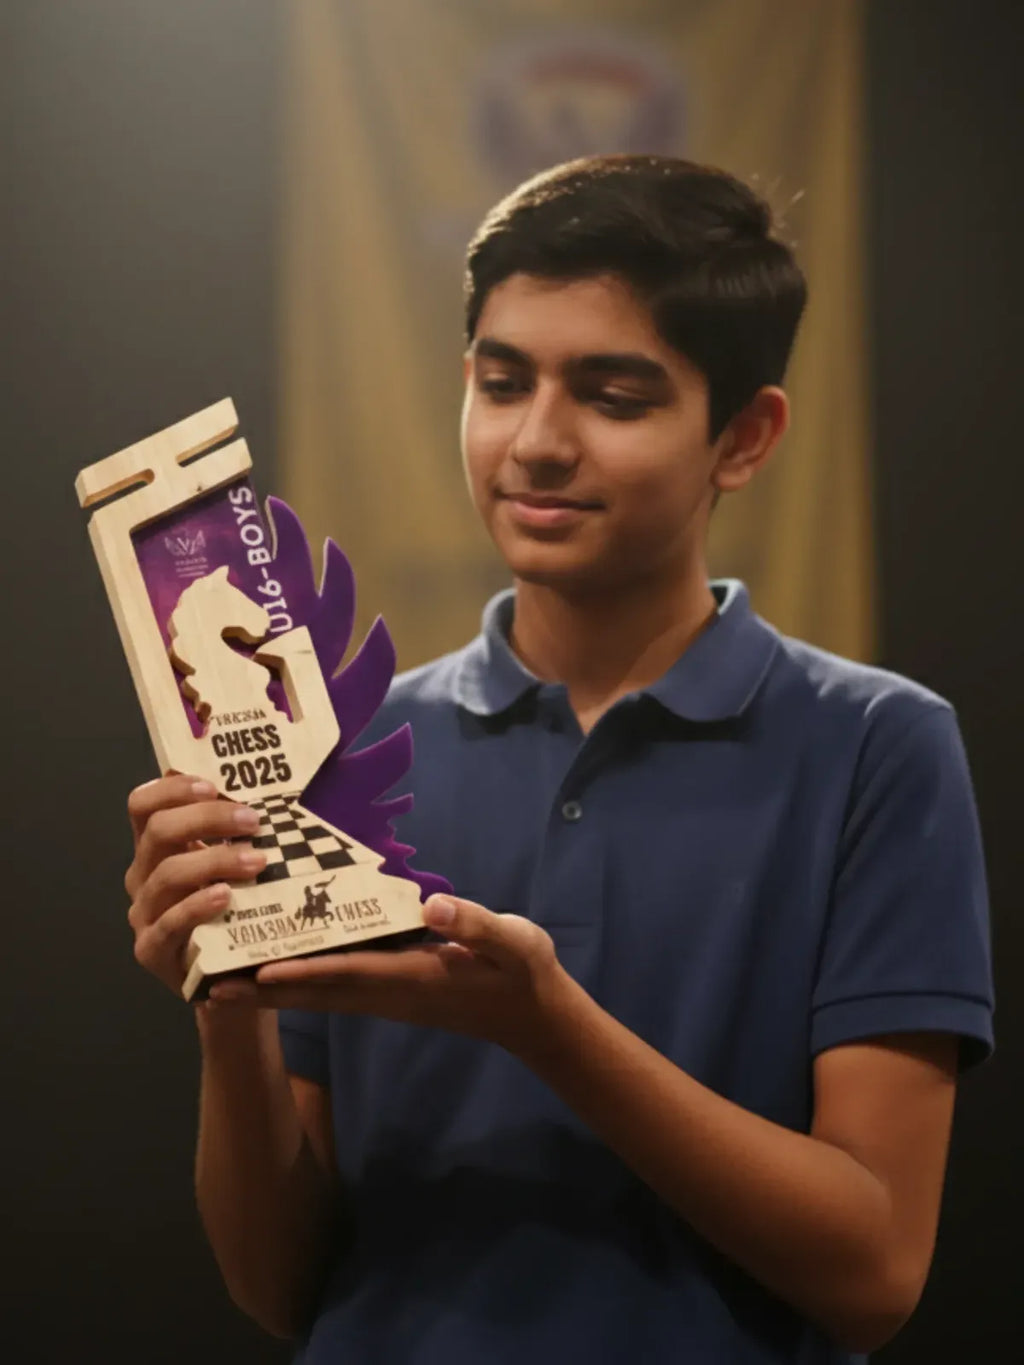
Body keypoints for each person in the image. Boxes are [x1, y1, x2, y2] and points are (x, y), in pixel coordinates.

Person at [123, 156, 993, 1364]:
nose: (535, 442)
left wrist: (547, 1027)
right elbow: (280, 1287)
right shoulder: (348, 755)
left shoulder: (874, 745)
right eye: (500, 380)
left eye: (614, 396)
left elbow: (874, 1271)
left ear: (743, 437)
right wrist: (226, 998)